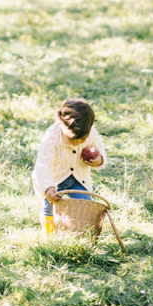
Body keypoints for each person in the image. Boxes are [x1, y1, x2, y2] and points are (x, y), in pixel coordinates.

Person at [32, 97, 107, 231]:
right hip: (54, 178)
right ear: (60, 124)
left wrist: (99, 159)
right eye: (72, 139)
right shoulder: (52, 136)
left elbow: (100, 147)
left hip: (79, 178)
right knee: (49, 207)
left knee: (85, 206)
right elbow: (42, 165)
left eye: (83, 139)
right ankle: (49, 235)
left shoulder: (91, 133)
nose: (78, 143)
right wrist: (48, 188)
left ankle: (81, 234)